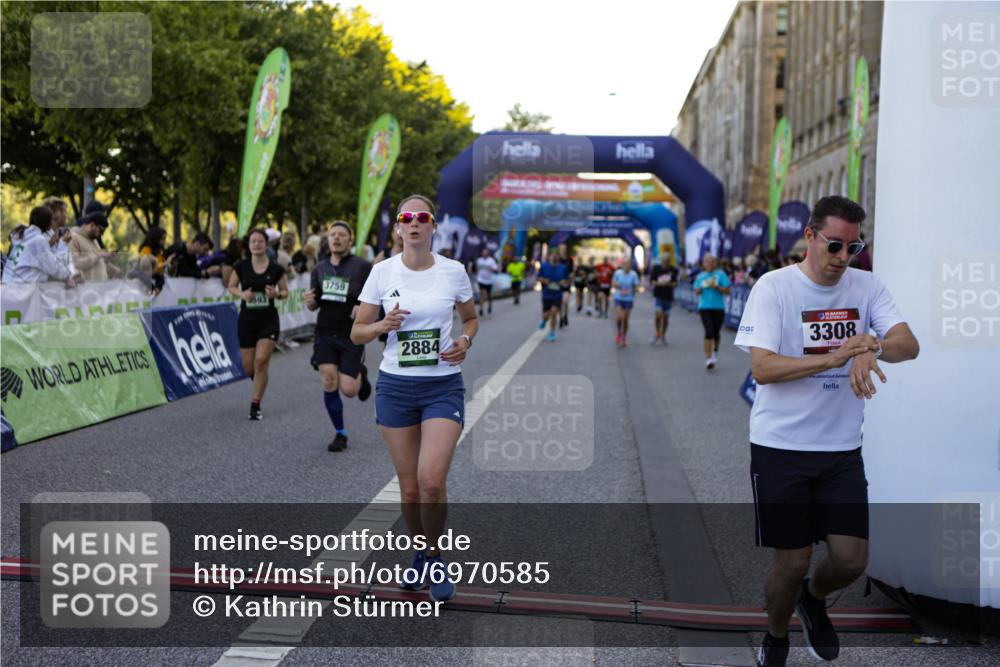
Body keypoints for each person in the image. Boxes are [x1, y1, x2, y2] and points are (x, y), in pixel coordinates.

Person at [734, 196, 919, 667]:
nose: (842, 258)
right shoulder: (774, 287)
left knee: (853, 561)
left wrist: (871, 345)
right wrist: (836, 355)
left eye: (854, 248)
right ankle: (776, 636)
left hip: (840, 450)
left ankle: (813, 600)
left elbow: (908, 343)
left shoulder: (866, 285)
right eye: (834, 245)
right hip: (781, 447)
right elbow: (763, 367)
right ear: (811, 237)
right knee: (791, 562)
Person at [352, 194, 478, 604]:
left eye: (422, 217)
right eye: (406, 217)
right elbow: (357, 331)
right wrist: (382, 325)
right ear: (399, 228)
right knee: (408, 491)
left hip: (442, 385)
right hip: (396, 387)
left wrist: (464, 340)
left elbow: (471, 317)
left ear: (433, 225)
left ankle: (435, 557)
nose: (414, 223)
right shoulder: (382, 272)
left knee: (431, 480)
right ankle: (421, 552)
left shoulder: (453, 271)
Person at [305, 221, 373, 452]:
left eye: (341, 235)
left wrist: (362, 306)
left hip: (351, 333)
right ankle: (340, 433)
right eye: (333, 234)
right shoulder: (319, 269)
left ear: (349, 240)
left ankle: (360, 376)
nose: (336, 238)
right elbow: (314, 304)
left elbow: (375, 295)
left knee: (349, 390)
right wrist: (311, 302)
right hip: (325, 331)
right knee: (328, 379)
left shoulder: (362, 267)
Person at [227, 228, 289, 420]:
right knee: (249, 368)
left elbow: (285, 292)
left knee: (261, 361)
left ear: (266, 244)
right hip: (247, 320)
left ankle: (255, 404)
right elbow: (231, 286)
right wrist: (242, 294)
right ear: (249, 245)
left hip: (268, 320)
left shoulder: (276, 268)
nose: (256, 245)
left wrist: (276, 294)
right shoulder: (241, 266)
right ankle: (259, 381)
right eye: (253, 242)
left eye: (260, 241)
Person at [1, 206, 75, 285]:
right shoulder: (38, 240)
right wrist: (63, 244)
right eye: (51, 220)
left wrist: (49, 245)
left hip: (8, 287)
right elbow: (54, 269)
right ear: (48, 223)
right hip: (19, 291)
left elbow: (34, 260)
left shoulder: (23, 236)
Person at [693, 253, 731, 369]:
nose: (709, 264)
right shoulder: (700, 276)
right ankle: (708, 358)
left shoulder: (721, 275)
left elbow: (727, 290)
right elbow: (697, 292)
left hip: (718, 307)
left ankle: (715, 351)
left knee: (716, 333)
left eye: (711, 261)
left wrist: (717, 287)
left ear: (715, 263)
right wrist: (703, 287)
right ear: (704, 264)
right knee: (708, 331)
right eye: (706, 262)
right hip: (704, 307)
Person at [68, 211, 120, 281]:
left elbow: (95, 261)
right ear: (92, 225)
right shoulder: (73, 238)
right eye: (101, 231)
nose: (102, 234)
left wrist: (106, 259)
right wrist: (98, 255)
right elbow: (74, 263)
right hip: (85, 289)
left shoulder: (94, 240)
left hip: (99, 288)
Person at [537, 248, 569, 342]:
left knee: (554, 313)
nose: (554, 256)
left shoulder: (562, 267)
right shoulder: (544, 266)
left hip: (557, 294)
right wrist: (544, 280)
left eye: (556, 255)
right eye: (552, 255)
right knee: (546, 314)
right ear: (549, 256)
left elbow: (567, 280)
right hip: (547, 294)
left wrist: (564, 282)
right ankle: (544, 320)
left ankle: (552, 332)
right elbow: (538, 277)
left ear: (558, 257)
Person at [649, 252, 678, 346]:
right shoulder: (656, 268)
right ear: (661, 260)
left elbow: (675, 283)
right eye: (664, 260)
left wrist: (668, 284)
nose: (665, 262)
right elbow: (652, 281)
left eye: (667, 260)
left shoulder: (673, 269)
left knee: (665, 318)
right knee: (658, 315)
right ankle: (657, 332)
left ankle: (663, 335)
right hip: (658, 295)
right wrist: (658, 283)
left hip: (668, 296)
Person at [612, 257, 640, 347]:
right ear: (622, 265)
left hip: (628, 299)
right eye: (625, 264)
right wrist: (617, 285)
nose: (627, 266)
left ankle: (624, 336)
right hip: (619, 298)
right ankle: (619, 332)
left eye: (628, 264)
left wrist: (636, 288)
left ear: (630, 265)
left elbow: (637, 285)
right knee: (619, 318)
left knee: (625, 319)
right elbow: (613, 283)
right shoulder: (618, 273)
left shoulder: (633, 274)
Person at [474, 246, 499, 316]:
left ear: (488, 254)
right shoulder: (479, 260)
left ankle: (490, 304)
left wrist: (491, 269)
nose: (484, 254)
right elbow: (477, 269)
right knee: (481, 294)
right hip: (481, 280)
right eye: (483, 253)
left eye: (486, 253)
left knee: (489, 295)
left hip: (488, 281)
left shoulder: (491, 261)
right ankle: (481, 309)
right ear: (482, 253)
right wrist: (476, 276)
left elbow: (496, 269)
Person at [557, 244, 574, 328]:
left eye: (564, 249)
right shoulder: (557, 259)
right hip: (558, 283)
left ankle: (565, 314)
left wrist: (570, 278)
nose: (562, 250)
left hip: (566, 283)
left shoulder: (569, 259)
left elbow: (571, 272)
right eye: (561, 249)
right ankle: (561, 317)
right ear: (559, 249)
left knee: (565, 301)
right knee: (560, 302)